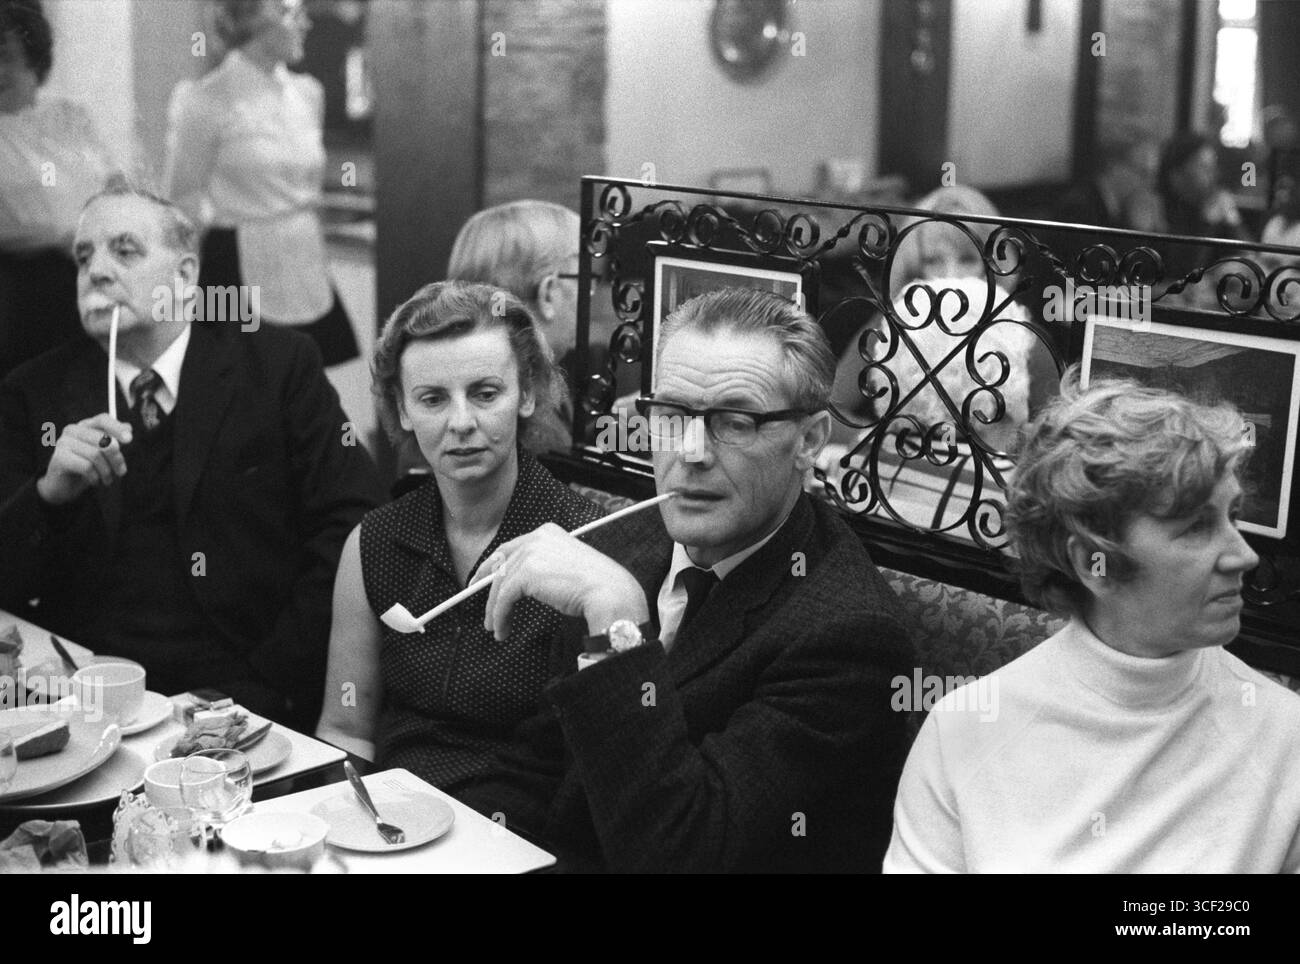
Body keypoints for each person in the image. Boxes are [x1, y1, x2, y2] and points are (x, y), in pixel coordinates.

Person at [459, 287, 914, 872]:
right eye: (673, 416)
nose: (691, 451)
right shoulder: (632, 540)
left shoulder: (849, 638)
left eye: (735, 421)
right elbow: (541, 767)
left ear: (809, 441)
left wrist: (618, 622)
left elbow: (683, 852)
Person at [0, 184, 383, 729]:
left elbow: (352, 525)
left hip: (252, 694)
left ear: (184, 277)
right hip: (91, 705)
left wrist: (268, 681)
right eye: (84, 257)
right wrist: (47, 497)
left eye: (124, 250)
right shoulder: (32, 392)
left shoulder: (277, 367)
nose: (97, 272)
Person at [885, 371, 1300, 873]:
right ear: (1093, 563)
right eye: (1195, 527)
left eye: (1233, 516)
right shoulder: (965, 733)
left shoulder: (1285, 738)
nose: (1244, 555)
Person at [314, 281, 602, 791]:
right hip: (396, 828)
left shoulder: (586, 548)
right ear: (402, 410)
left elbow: (601, 769)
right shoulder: (373, 542)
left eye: (486, 393)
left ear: (528, 394)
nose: (461, 422)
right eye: (432, 399)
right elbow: (346, 727)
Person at [162, 0, 359, 367]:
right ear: (253, 21)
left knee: (303, 386)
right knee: (240, 389)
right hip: (235, 262)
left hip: (304, 259)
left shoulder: (308, 93)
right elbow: (183, 197)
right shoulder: (204, 99)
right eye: (291, 13)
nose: (305, 24)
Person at [0, 0, 120, 377]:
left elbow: (114, 182)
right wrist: (64, 237)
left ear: (33, 53)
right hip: (22, 288)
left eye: (4, 54)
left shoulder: (70, 116)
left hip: (95, 277)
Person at [446, 200, 585, 452]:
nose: (590, 293)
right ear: (548, 294)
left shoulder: (454, 393)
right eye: (585, 279)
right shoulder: (531, 421)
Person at [1157, 130, 1252, 242]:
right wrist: (1208, 223)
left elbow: (1250, 256)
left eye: (1213, 168)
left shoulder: (1211, 208)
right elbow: (1183, 258)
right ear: (1177, 175)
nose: (1214, 175)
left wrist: (1232, 220)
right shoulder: (1159, 213)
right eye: (1204, 168)